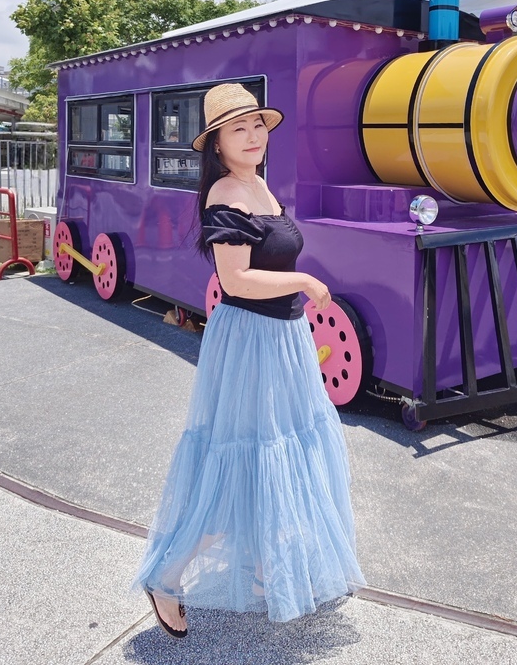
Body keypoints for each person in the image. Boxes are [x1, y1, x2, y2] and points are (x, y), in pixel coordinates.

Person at [133, 83, 365, 637]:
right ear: (216, 144)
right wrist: (304, 280)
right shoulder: (225, 195)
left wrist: (295, 297)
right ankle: (166, 576)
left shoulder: (257, 182)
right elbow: (234, 279)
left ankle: (264, 570)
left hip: (282, 338)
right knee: (239, 464)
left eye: (257, 124)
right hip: (252, 341)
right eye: (238, 128)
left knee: (275, 454)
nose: (253, 135)